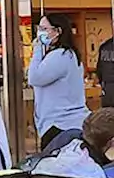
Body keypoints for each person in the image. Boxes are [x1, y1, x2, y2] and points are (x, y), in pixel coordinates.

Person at [27, 13, 88, 150]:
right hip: (69, 122)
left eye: (44, 29)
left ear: (58, 31)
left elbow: (35, 77)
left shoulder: (60, 56)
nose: (40, 33)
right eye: (39, 28)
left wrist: (37, 49)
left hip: (60, 124)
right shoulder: (69, 55)